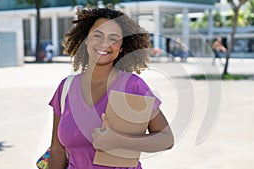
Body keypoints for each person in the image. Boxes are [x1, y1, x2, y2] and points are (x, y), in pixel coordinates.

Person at [48, 7, 174, 169]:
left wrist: (119, 141)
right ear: (86, 39)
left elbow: (166, 138)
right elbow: (57, 150)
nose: (104, 43)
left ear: (121, 47)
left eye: (113, 39)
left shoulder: (132, 85)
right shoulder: (66, 88)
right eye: (97, 35)